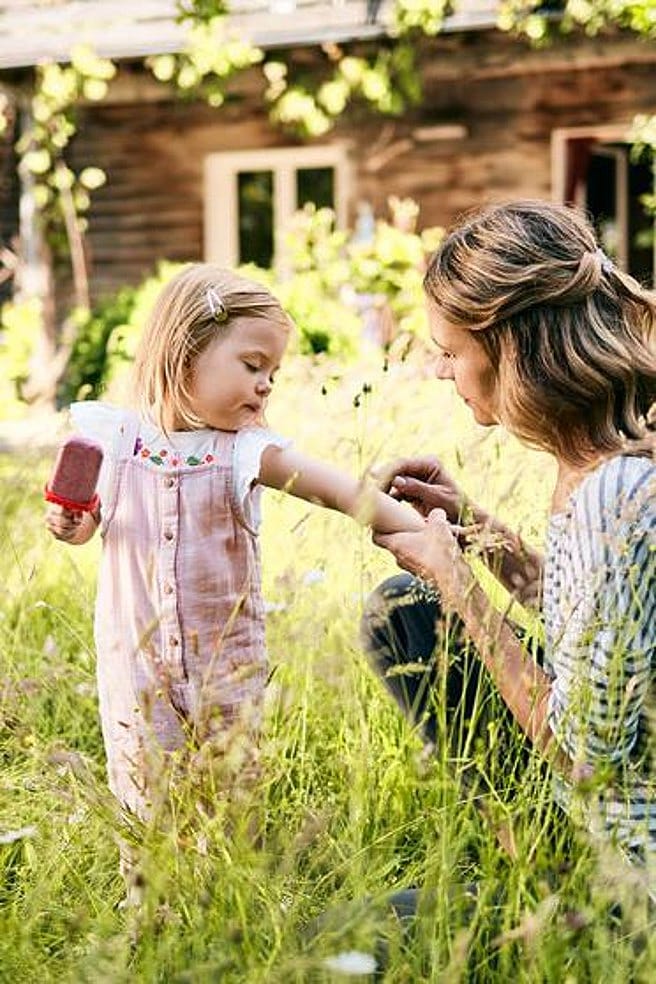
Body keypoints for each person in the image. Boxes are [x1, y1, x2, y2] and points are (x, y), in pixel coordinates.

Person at [45, 264, 424, 827]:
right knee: (145, 804)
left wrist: (425, 535)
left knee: (229, 810)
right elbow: (90, 522)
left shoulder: (244, 452)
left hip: (225, 672)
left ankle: (228, 910)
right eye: (252, 365)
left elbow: (342, 492)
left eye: (272, 370)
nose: (266, 383)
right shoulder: (116, 440)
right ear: (185, 352)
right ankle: (150, 911)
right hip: (136, 669)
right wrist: (72, 524)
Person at [364, 200, 656, 892]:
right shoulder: (610, 463)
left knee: (328, 953)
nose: (442, 373)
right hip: (605, 825)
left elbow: (586, 757)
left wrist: (460, 586)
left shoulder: (617, 496)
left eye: (450, 353)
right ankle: (532, 870)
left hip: (631, 874)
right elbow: (593, 631)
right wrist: (479, 532)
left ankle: (557, 900)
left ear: (511, 349)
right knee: (405, 608)